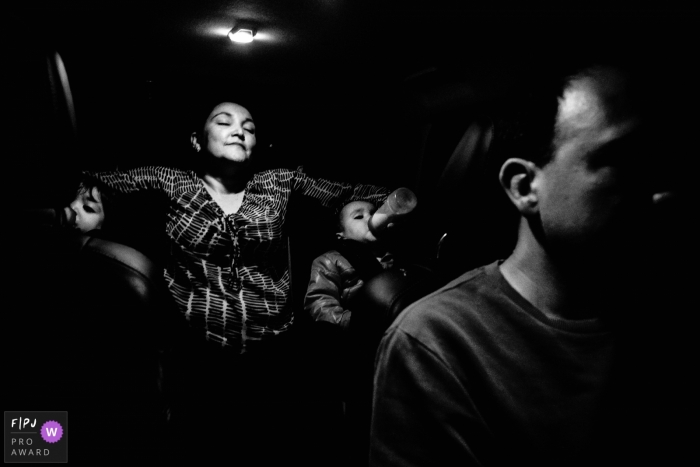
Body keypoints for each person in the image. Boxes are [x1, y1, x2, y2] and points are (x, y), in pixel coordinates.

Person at [369, 65, 685, 466]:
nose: (661, 192)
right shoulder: (437, 342)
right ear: (523, 187)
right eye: (622, 161)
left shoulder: (663, 315)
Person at [79, 100, 392, 464]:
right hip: (197, 353)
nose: (239, 130)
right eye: (224, 122)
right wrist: (82, 208)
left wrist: (388, 210)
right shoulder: (169, 181)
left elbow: (351, 193)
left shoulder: (278, 182)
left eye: (250, 126)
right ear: (197, 140)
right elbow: (92, 182)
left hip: (275, 349)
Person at [304, 200, 396, 329]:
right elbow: (320, 302)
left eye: (374, 214)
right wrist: (349, 322)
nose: (370, 218)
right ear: (341, 235)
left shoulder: (395, 256)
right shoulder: (330, 260)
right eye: (359, 217)